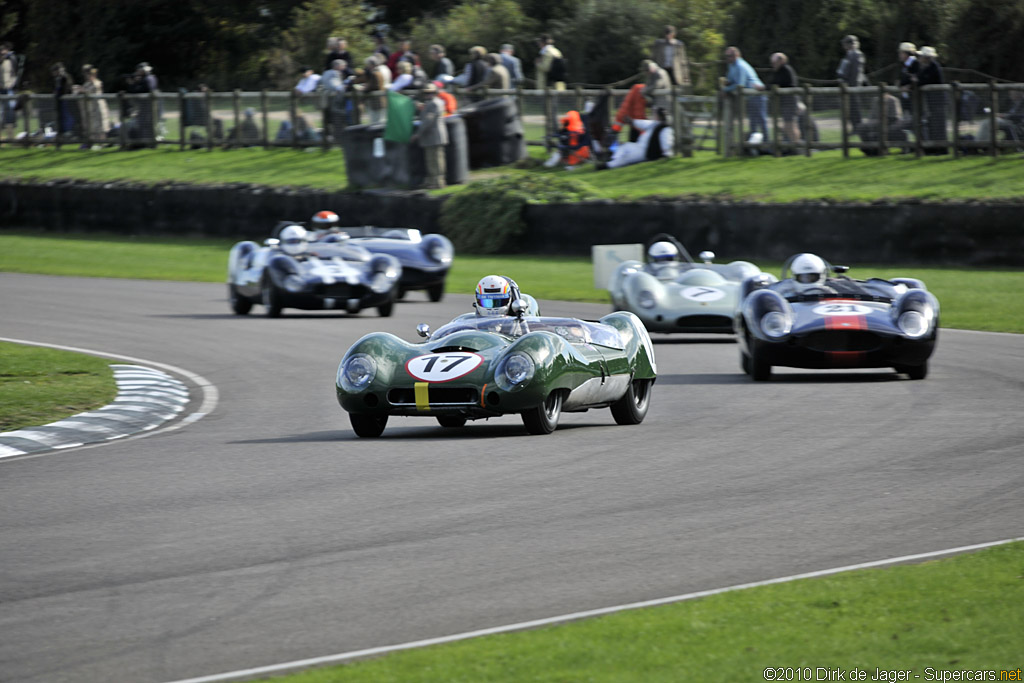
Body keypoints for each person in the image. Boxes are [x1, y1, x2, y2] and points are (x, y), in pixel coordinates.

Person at [600, 106, 673, 169]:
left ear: (659, 116)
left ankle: (608, 165)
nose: (653, 115)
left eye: (655, 114)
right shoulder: (654, 124)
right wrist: (632, 121)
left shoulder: (665, 128)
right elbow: (643, 123)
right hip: (639, 146)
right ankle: (613, 160)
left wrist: (667, 153)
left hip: (646, 151)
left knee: (626, 158)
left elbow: (666, 142)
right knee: (625, 146)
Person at [722, 46, 766, 140]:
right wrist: (725, 85)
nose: (727, 58)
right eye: (726, 56)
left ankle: (768, 144)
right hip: (749, 97)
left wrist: (725, 90)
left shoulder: (740, 66)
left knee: (761, 120)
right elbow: (730, 80)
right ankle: (754, 146)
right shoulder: (731, 65)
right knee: (752, 122)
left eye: (729, 56)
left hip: (757, 95)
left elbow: (740, 85)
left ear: (736, 55)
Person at [410, 83, 448, 189]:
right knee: (431, 160)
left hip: (434, 136)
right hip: (432, 136)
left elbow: (428, 121)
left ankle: (438, 183)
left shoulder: (434, 104)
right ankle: (432, 181)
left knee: (436, 161)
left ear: (434, 93)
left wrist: (417, 134)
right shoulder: (432, 103)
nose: (428, 95)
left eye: (430, 93)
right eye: (426, 93)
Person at [915, 46, 947, 154]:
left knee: (938, 125)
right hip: (931, 102)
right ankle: (932, 148)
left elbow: (923, 81)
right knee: (931, 124)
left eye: (922, 56)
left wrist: (916, 81)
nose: (919, 58)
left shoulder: (933, 67)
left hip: (937, 102)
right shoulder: (925, 67)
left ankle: (941, 149)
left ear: (927, 57)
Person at [836, 34, 868, 127]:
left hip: (853, 85)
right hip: (849, 85)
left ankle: (858, 127)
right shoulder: (850, 54)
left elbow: (856, 72)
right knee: (851, 108)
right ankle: (855, 127)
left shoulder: (856, 54)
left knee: (855, 108)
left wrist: (848, 80)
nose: (843, 46)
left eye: (845, 43)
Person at [768, 52, 800, 144]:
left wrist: (765, 87)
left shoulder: (785, 70)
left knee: (789, 125)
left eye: (774, 63)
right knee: (789, 125)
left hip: (789, 102)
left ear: (781, 61)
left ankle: (795, 146)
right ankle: (795, 144)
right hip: (786, 102)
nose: (773, 65)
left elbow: (776, 84)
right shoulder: (780, 71)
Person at [76, 65, 110, 144]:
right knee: (92, 127)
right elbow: (84, 91)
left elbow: (91, 90)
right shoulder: (87, 84)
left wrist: (82, 90)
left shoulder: (97, 82)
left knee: (100, 127)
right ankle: (93, 143)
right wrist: (79, 90)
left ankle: (103, 143)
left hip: (99, 107)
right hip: (91, 109)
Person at [51, 62, 74, 136]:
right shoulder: (57, 79)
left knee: (67, 116)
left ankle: (69, 131)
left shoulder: (65, 77)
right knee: (61, 116)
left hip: (66, 100)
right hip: (60, 101)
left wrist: (58, 93)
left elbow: (66, 88)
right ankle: (62, 131)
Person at [1, 42, 18, 137]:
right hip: (1, 89)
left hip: (8, 89)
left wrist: (11, 84)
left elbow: (13, 74)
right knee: (2, 111)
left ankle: (10, 135)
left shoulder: (10, 60)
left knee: (10, 110)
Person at [897, 42, 918, 108]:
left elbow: (917, 78)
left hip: (914, 97)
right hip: (905, 96)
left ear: (907, 53)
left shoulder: (915, 64)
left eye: (901, 53)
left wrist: (909, 86)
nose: (899, 55)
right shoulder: (905, 65)